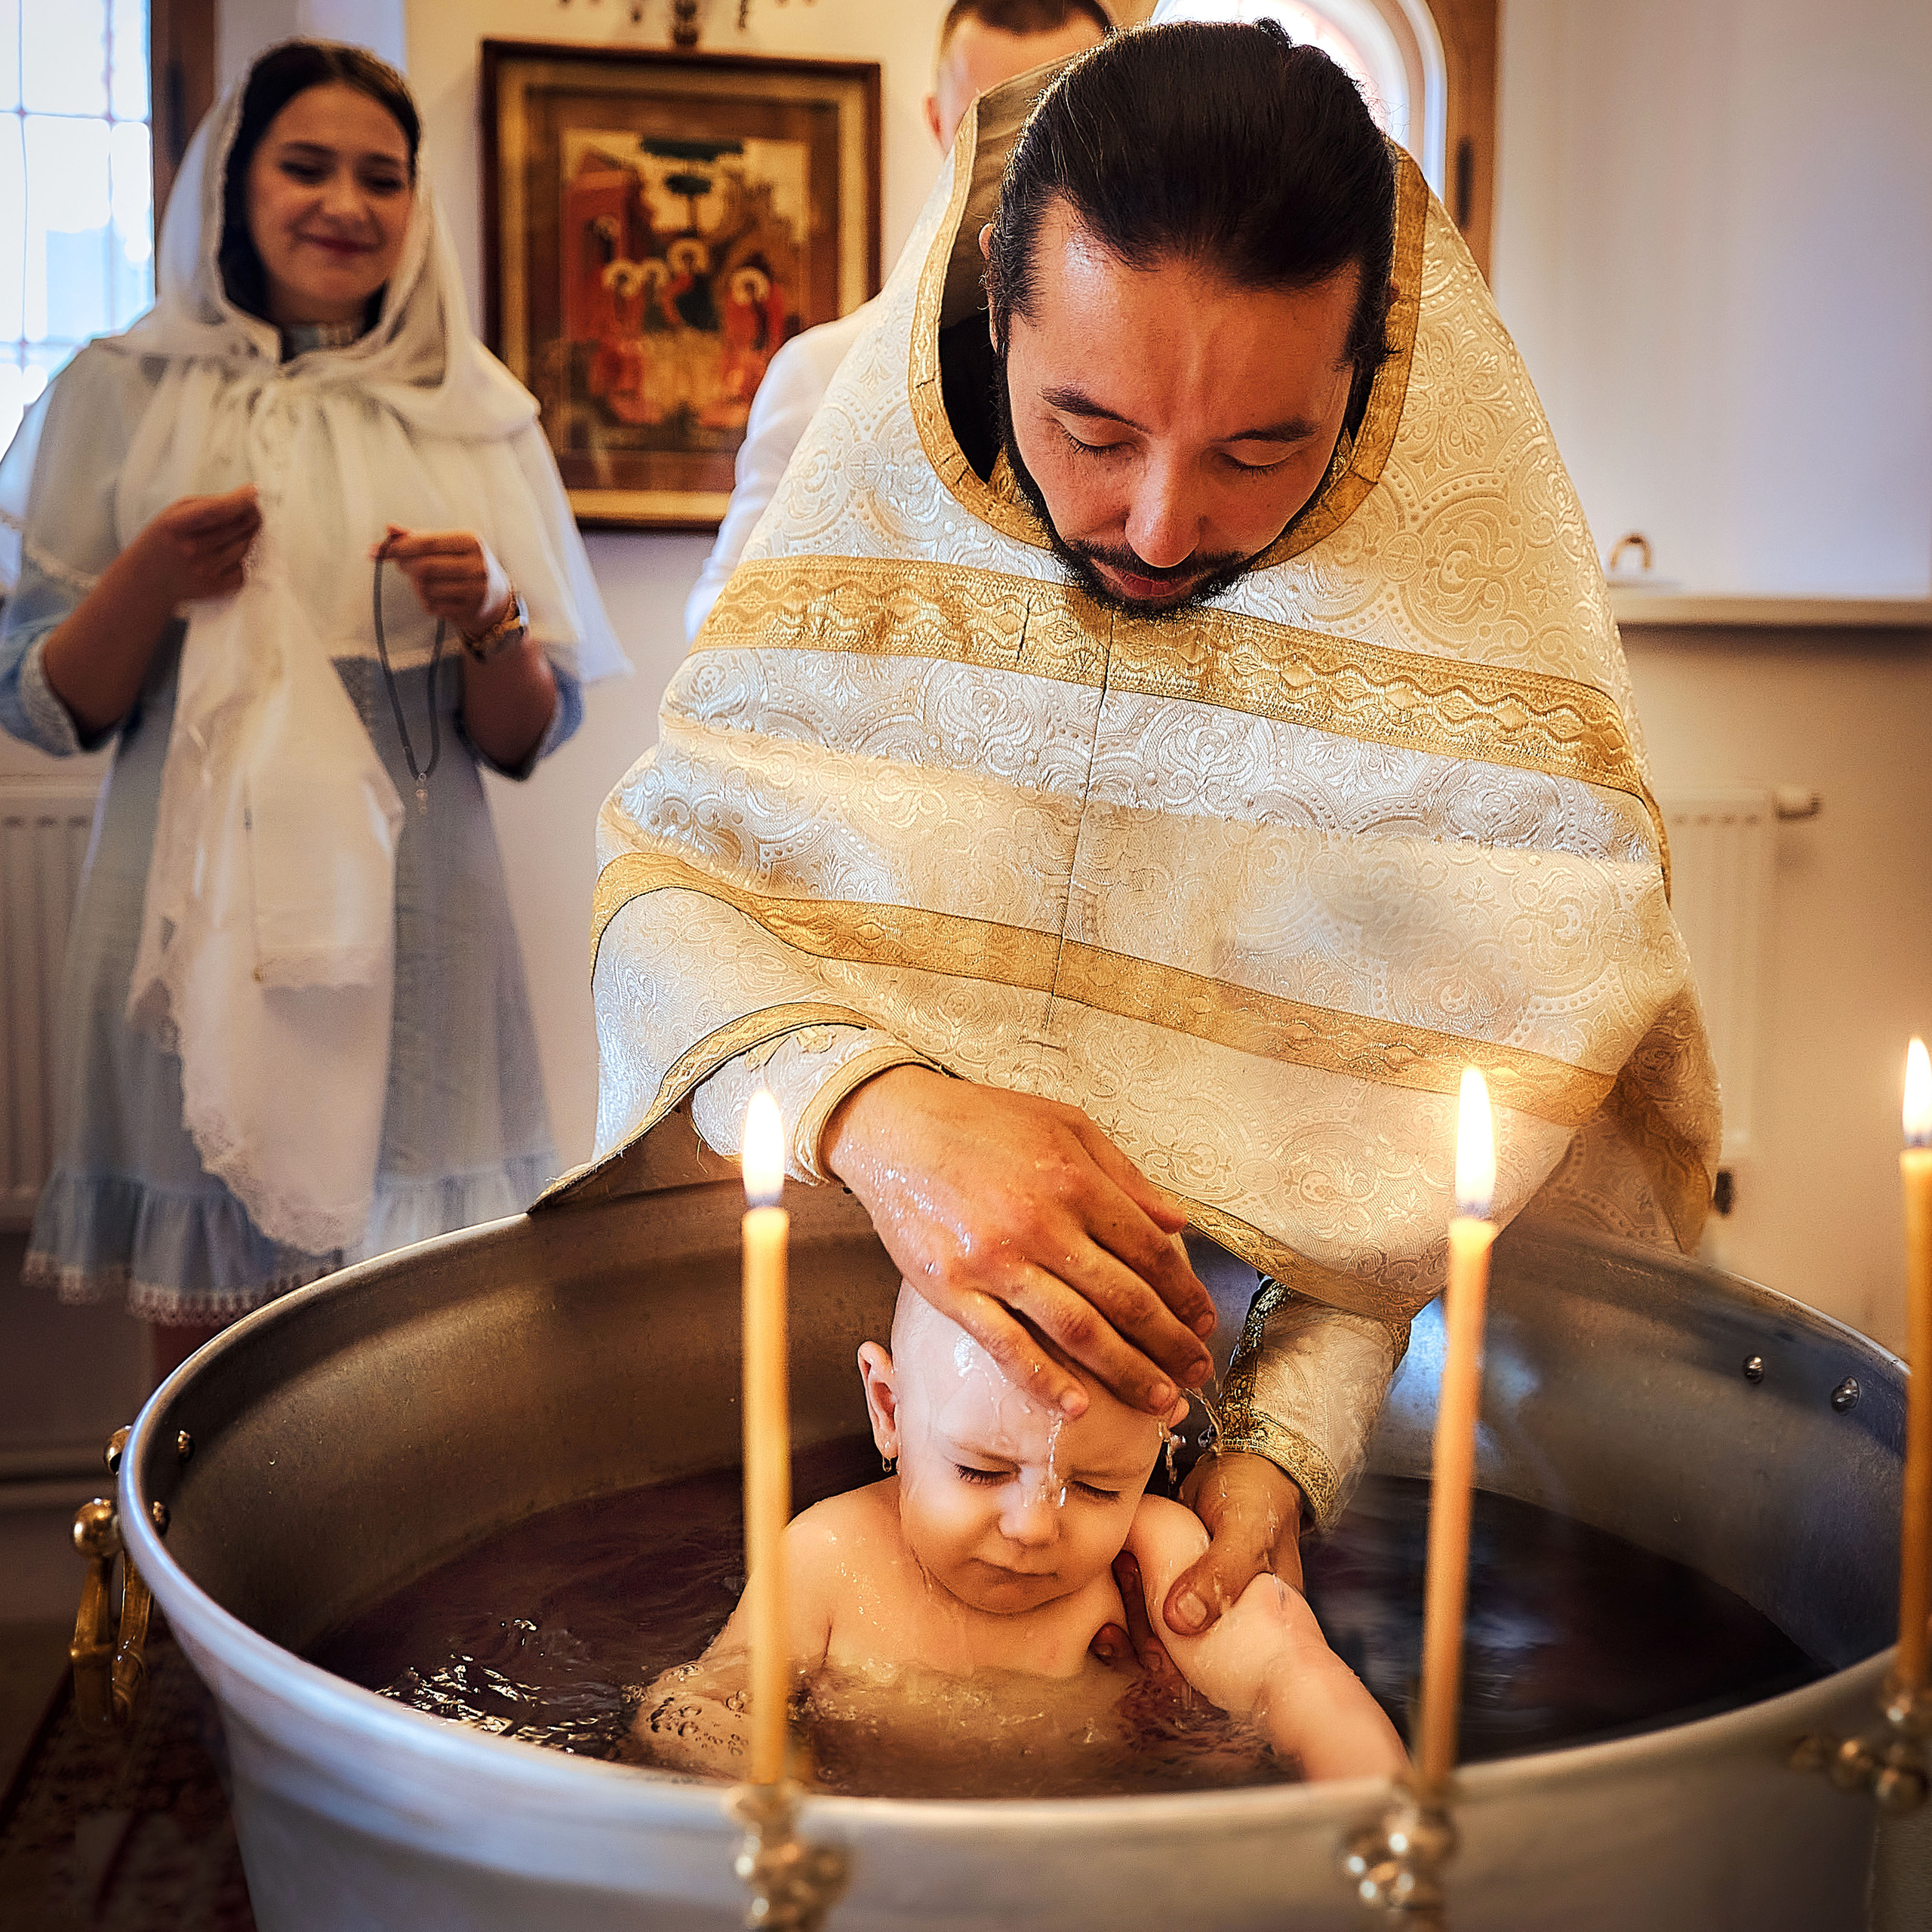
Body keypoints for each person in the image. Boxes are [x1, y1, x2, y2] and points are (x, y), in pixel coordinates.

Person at [586, 24, 1718, 1657]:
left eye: (1260, 447)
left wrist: (1283, 1440)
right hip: (864, 1402)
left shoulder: (1443, 648)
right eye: (1090, 425)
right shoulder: (880, 501)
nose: (1159, 523)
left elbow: (1456, 1094)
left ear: (1370, 377)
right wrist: (884, 1113)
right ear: (1001, 302)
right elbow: (663, 889)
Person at [0, 42, 626, 1377]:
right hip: (185, 905)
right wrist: (151, 577)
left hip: (422, 922)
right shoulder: (121, 392)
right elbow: (51, 708)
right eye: (305, 165)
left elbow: (522, 738)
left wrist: (493, 618)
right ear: (231, 187)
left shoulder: (471, 415)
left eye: (381, 178)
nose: (345, 203)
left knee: (417, 1357)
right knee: (208, 1364)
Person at [635, 1284, 1407, 1792]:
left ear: (1160, 1441)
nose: (1035, 1526)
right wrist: (790, 1786)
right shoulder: (827, 1556)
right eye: (978, 1470)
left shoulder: (1156, 1552)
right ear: (888, 1407)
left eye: (1101, 1484)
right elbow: (693, 1704)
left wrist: (1369, 1798)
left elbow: (1293, 1677)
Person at [681, 0, 1112, 641]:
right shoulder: (823, 375)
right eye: (994, 127)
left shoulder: (1165, 382)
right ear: (940, 121)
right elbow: (718, 620)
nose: (1030, 165)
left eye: (1058, 126)